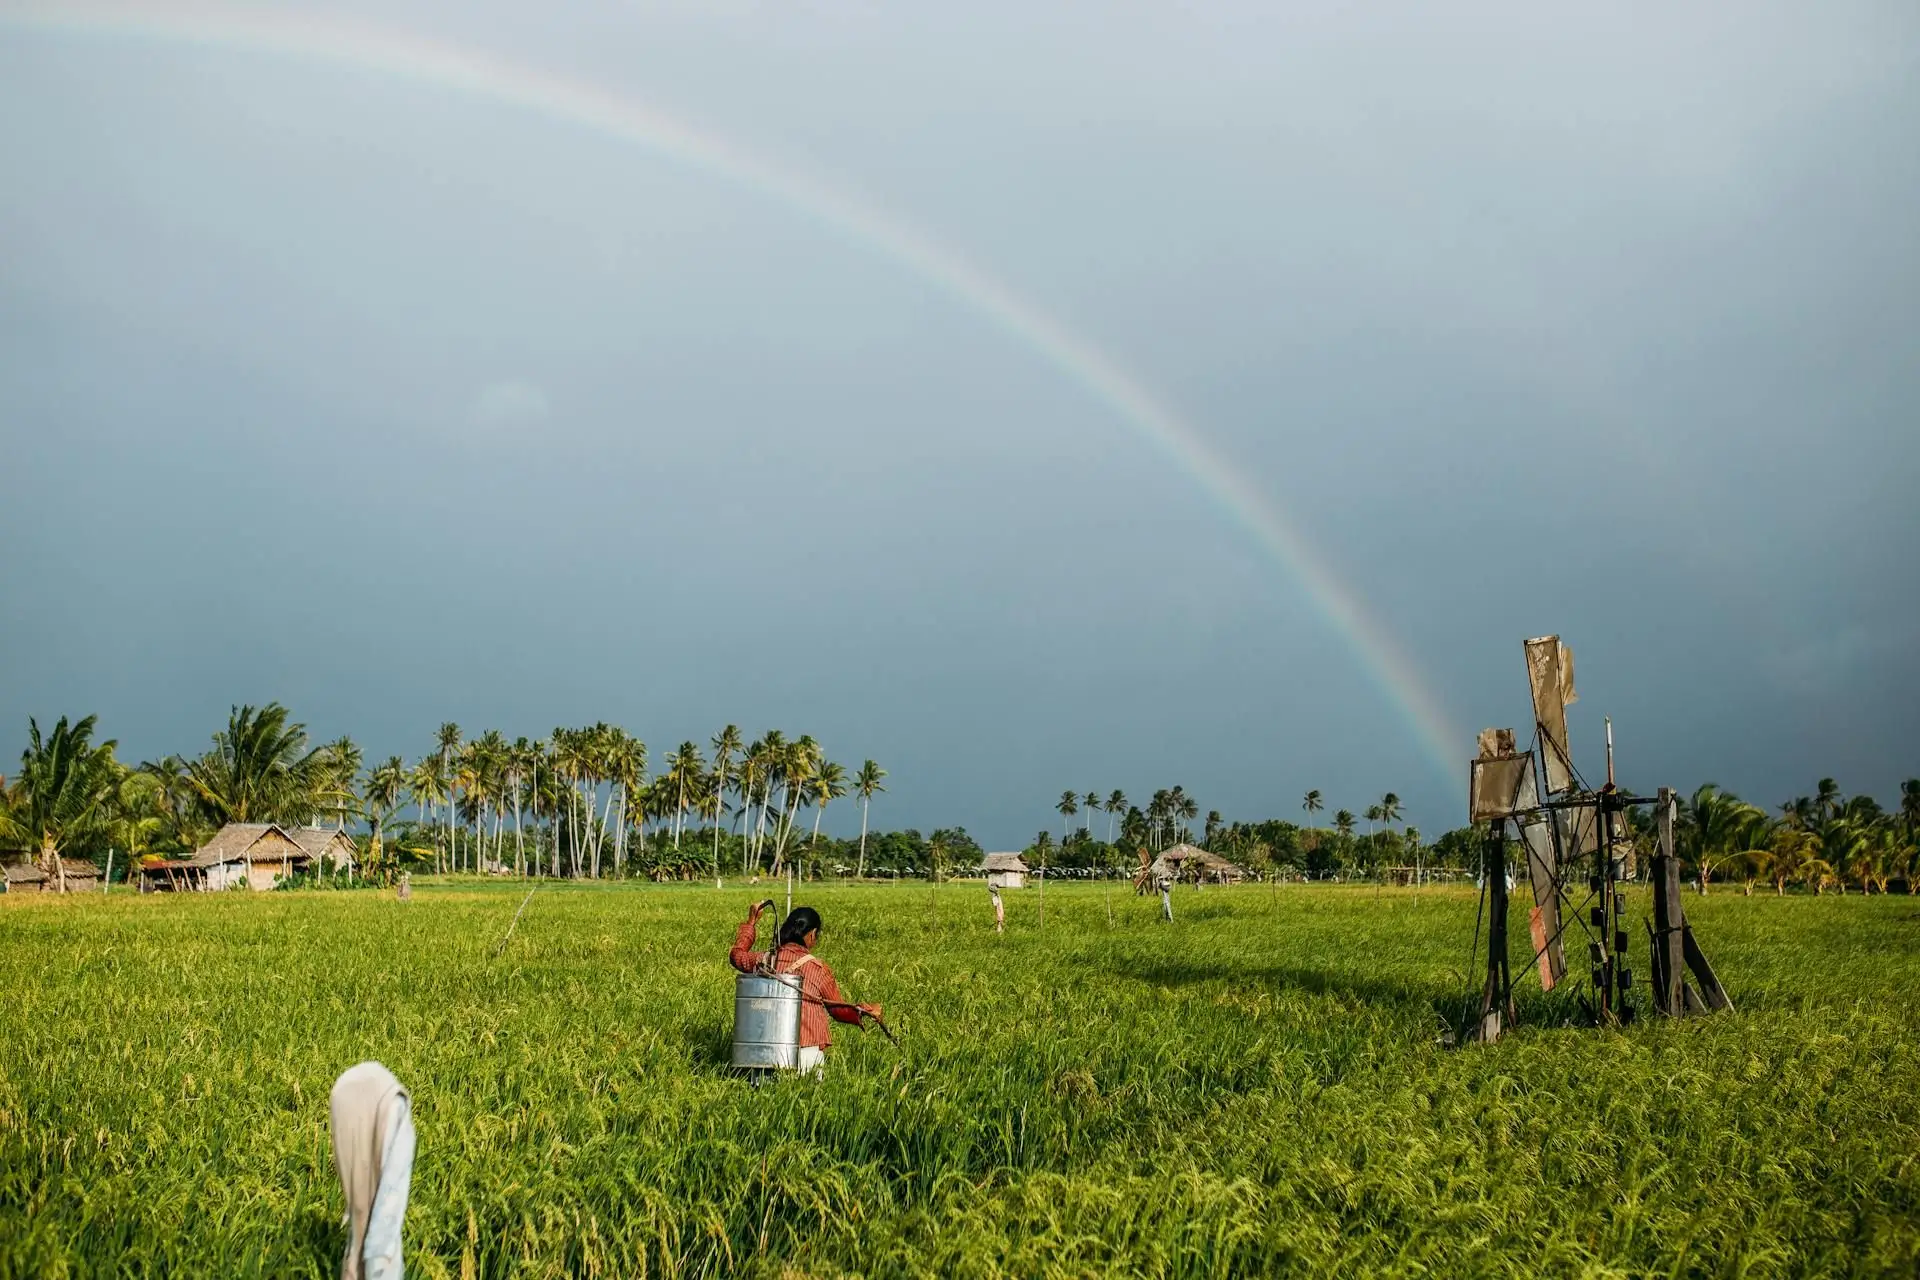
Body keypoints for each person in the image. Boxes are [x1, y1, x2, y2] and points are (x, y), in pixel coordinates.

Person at [729, 902, 878, 1075]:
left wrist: (751, 922)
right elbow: (838, 1010)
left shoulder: (764, 961)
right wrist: (866, 1010)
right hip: (806, 1055)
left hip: (762, 1055)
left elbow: (736, 955)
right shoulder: (817, 969)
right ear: (812, 934)